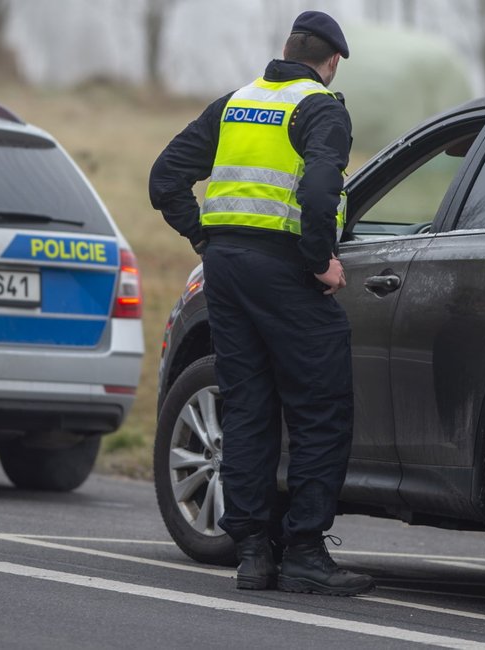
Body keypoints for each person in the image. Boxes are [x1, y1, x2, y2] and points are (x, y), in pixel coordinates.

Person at [149, 10, 373, 595]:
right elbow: (322, 189)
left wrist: (205, 237)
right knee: (320, 407)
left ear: (286, 49)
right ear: (332, 62)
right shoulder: (321, 107)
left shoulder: (235, 103)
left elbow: (164, 177)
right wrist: (321, 259)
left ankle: (253, 553)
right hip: (285, 271)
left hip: (225, 271)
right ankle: (303, 550)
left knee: (246, 405)